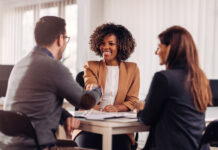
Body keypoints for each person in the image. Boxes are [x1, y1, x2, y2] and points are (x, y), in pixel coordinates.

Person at [0, 16, 102, 150]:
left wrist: (64, 115)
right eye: (65, 39)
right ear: (60, 39)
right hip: (36, 146)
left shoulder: (20, 64)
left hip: (8, 145)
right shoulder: (53, 67)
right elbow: (86, 102)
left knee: (72, 145)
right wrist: (97, 90)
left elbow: (34, 106)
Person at [137, 26, 212, 150]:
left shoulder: (163, 78)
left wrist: (140, 109)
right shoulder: (200, 77)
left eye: (159, 47)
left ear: (170, 48)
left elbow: (147, 118)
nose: (156, 52)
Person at [74, 23, 140, 150]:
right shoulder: (91, 66)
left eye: (111, 44)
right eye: (102, 43)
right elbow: (91, 86)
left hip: (118, 126)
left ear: (121, 46)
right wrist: (94, 90)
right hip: (91, 124)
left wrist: (116, 108)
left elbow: (132, 101)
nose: (105, 47)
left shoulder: (132, 69)